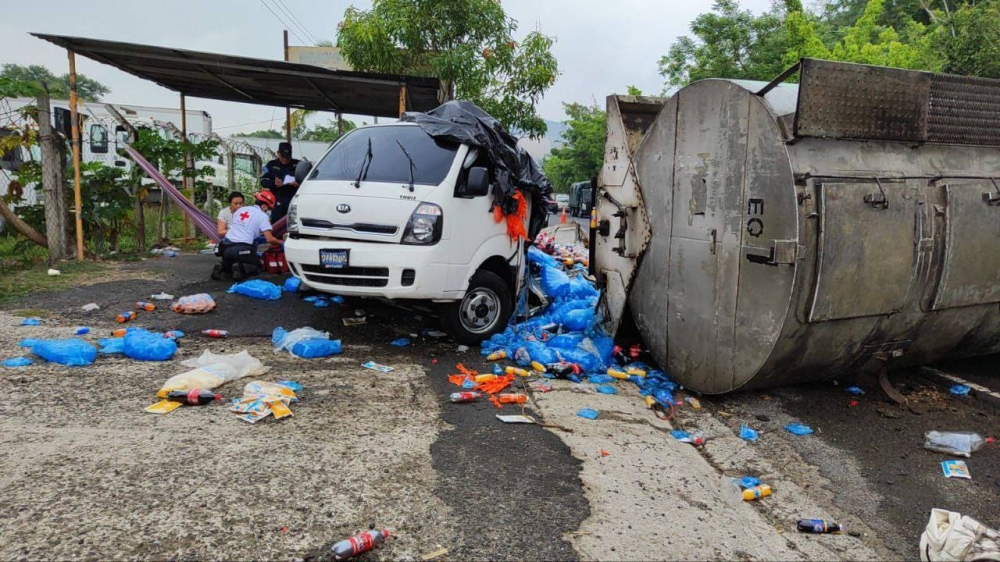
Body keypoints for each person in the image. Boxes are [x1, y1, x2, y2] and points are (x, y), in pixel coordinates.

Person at [211, 191, 284, 281]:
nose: (268, 211)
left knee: (231, 262)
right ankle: (241, 268)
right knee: (257, 266)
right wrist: (282, 243)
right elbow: (269, 239)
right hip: (242, 248)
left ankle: (222, 266)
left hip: (225, 248)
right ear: (264, 206)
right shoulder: (262, 216)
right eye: (269, 208)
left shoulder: (241, 210)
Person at [259, 141, 300, 223]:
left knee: (293, 223)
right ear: (278, 153)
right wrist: (273, 183)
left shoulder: (297, 164)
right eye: (283, 156)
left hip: (293, 200)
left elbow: (307, 180)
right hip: (276, 200)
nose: (285, 159)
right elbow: (262, 180)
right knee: (276, 224)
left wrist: (298, 184)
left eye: (287, 157)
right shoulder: (271, 165)